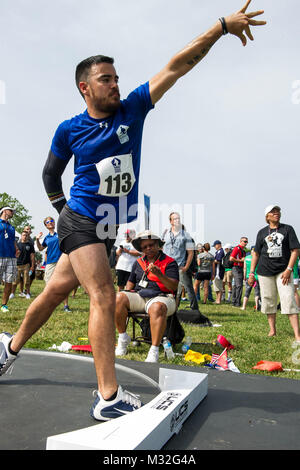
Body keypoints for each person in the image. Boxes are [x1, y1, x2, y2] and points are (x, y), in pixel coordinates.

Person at [0, 2, 266, 420]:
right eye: (106, 79)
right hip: (81, 220)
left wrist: (219, 28)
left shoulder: (134, 109)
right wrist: (65, 213)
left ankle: (9, 348)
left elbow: (177, 66)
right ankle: (108, 397)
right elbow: (51, 175)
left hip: (104, 227)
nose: (115, 84)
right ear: (85, 88)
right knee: (104, 296)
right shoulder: (70, 129)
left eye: (117, 77)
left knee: (53, 292)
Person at [115, 230, 179, 363]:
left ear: (157, 245)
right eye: (144, 247)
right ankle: (123, 338)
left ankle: (154, 350)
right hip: (141, 296)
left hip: (163, 297)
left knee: (157, 307)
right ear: (141, 249)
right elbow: (131, 282)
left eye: (151, 245)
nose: (148, 248)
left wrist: (159, 274)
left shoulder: (170, 262)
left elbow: (173, 287)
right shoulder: (138, 262)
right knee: (117, 298)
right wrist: (125, 296)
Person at [248, 205, 300, 341]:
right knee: (268, 301)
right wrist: (251, 273)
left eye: (278, 211)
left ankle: (297, 334)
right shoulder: (261, 232)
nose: (276, 213)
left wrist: (289, 269)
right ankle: (272, 330)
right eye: (273, 211)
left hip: (283, 271)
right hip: (265, 272)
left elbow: (295, 250)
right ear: (267, 216)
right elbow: (256, 253)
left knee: (289, 299)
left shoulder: (288, 229)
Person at [162, 212, 199, 311]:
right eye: (174, 219)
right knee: (169, 289)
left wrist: (186, 267)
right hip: (166, 266)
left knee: (188, 288)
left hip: (180, 267)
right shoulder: (165, 233)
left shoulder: (186, 235)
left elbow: (191, 253)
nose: (177, 220)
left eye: (178, 218)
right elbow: (161, 248)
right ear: (170, 221)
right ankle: (172, 308)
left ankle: (194, 309)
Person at [36, 217, 71, 312]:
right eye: (48, 222)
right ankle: (48, 305)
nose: (50, 223)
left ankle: (66, 306)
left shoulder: (60, 233)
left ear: (54, 223)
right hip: (50, 262)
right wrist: (37, 240)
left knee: (64, 283)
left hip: (62, 261)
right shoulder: (47, 238)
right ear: (46, 225)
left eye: (52, 221)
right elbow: (40, 249)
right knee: (48, 284)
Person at [0, 207, 19, 313]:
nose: (12, 213)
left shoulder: (12, 227)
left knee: (9, 282)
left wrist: (16, 249)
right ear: (4, 211)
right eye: (11, 211)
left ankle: (4, 305)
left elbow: (13, 241)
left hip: (11, 258)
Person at [10, 231, 35, 300]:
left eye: (26, 235)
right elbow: (13, 254)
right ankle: (12, 293)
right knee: (15, 281)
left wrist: (32, 266)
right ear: (21, 236)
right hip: (17, 265)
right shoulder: (17, 244)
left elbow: (32, 255)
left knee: (27, 280)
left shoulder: (30, 245)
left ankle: (27, 293)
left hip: (26, 265)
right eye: (23, 235)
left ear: (28, 236)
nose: (25, 236)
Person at [230, 237, 248, 307]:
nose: (246, 243)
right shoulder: (237, 248)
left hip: (239, 268)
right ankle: (237, 303)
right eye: (245, 241)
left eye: (247, 242)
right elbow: (231, 258)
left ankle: (234, 301)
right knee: (239, 286)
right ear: (240, 241)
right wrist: (241, 260)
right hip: (236, 268)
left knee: (236, 286)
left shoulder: (243, 250)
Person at [241, 246, 260, 310]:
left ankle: (244, 306)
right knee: (257, 293)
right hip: (256, 277)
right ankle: (257, 307)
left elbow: (245, 268)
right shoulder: (258, 258)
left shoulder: (246, 258)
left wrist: (244, 276)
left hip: (248, 277)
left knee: (247, 292)